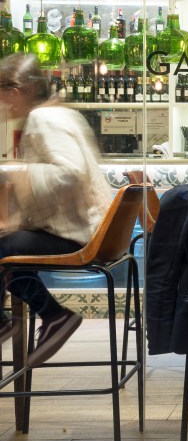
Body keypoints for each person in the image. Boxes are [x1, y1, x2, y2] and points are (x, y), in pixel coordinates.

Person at [0, 53, 114, 366]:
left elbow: (70, 173)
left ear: (17, 91)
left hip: (79, 235)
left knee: (5, 249)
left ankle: (54, 316)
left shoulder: (43, 119)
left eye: (3, 95)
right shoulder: (59, 114)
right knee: (8, 246)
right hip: (88, 229)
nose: (3, 105)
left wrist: (14, 174)